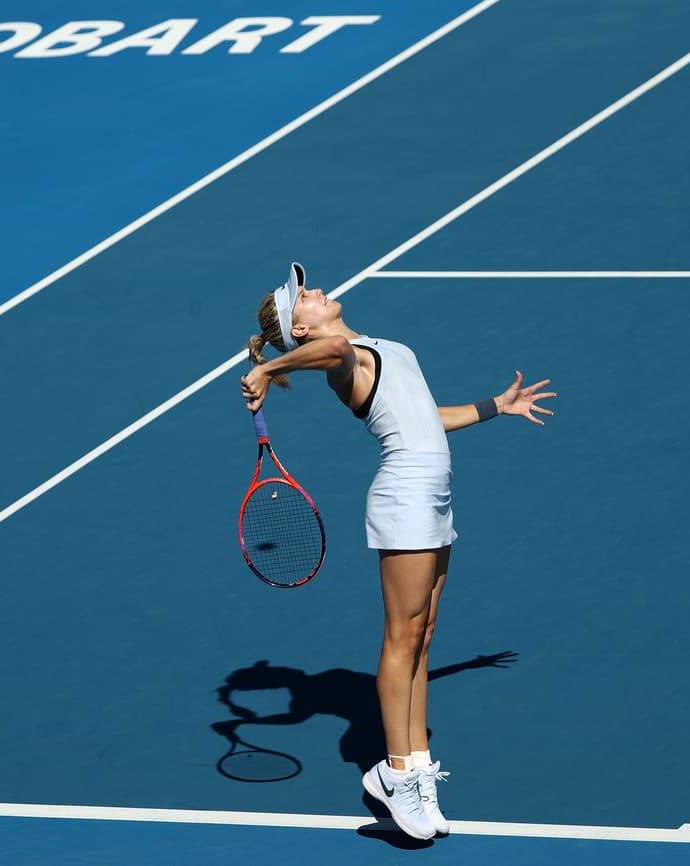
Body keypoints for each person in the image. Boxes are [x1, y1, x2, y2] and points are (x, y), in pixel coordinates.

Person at [240, 263, 554, 841]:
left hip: (435, 497)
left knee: (425, 634)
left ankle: (406, 768)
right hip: (404, 498)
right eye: (299, 298)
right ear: (300, 331)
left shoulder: (381, 347)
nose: (310, 290)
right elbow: (331, 351)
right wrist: (271, 366)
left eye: (304, 286)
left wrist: (493, 407)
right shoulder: (342, 358)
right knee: (401, 637)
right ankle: (399, 774)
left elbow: (426, 419)